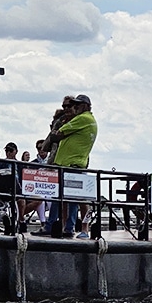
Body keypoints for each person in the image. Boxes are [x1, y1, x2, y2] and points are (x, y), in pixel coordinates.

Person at [44, 94, 97, 237]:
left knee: (78, 199)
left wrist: (60, 130)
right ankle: (67, 228)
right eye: (68, 106)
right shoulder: (82, 119)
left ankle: (81, 228)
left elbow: (57, 134)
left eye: (76, 105)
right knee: (68, 198)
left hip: (73, 165)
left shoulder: (83, 118)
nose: (73, 107)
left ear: (85, 106)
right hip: (68, 164)